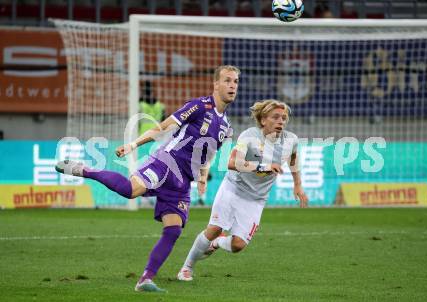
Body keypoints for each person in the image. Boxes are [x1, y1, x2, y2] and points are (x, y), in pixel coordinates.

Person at [55, 65, 241, 292]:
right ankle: (85, 170)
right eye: (228, 81)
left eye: (235, 82)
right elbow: (162, 127)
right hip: (165, 163)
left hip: (182, 181)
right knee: (130, 191)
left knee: (173, 230)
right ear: (216, 84)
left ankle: (145, 280)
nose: (232, 86)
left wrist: (202, 176)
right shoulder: (199, 106)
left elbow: (209, 154)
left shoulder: (226, 126)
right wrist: (133, 145)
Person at [177, 99, 308, 282]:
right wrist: (263, 167)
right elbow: (231, 163)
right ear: (263, 120)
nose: (281, 121)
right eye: (276, 117)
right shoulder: (250, 137)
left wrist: (298, 184)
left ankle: (217, 243)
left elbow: (293, 158)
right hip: (233, 188)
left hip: (256, 198)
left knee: (238, 245)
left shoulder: (291, 140)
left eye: (284, 118)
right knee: (215, 228)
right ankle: (186, 268)